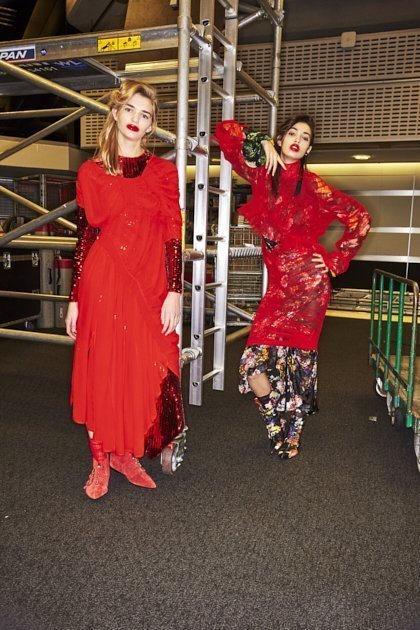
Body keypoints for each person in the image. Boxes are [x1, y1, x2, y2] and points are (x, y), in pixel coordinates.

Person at [214, 117, 371, 459]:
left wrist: (335, 261)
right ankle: (274, 421)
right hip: (277, 291)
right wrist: (261, 141)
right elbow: (225, 131)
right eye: (292, 133)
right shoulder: (261, 172)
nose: (298, 140)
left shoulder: (314, 185)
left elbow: (360, 218)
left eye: (306, 137)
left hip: (309, 287)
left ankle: (293, 433)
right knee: (251, 364)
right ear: (281, 138)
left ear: (309, 148)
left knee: (298, 366)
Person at [66, 80, 185, 498]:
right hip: (102, 280)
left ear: (152, 126)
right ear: (115, 113)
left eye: (145, 115)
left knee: (142, 368)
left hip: (149, 284)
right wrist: (74, 298)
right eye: (130, 110)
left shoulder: (164, 173)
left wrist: (175, 290)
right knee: (102, 370)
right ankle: (100, 458)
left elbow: (173, 234)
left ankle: (125, 453)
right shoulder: (90, 172)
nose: (136, 119)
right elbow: (85, 237)